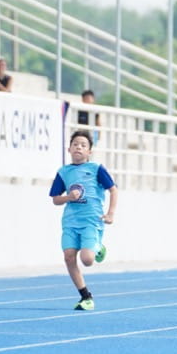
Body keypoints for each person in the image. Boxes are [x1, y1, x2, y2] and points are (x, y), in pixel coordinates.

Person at [49, 129, 118, 311]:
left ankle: (98, 247)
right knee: (69, 257)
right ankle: (85, 296)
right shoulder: (64, 172)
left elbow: (113, 189)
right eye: (75, 144)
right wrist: (68, 197)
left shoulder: (96, 169)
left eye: (83, 145)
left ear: (89, 152)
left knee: (87, 259)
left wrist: (110, 213)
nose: (78, 147)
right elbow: (55, 199)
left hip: (91, 221)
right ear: (69, 149)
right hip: (71, 222)